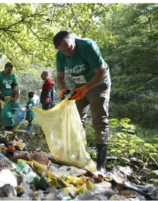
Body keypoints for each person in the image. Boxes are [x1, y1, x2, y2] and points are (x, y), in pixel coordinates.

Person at [53, 30, 111, 173]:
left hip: (98, 84)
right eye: (63, 51)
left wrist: (85, 88)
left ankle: (101, 164)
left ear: (73, 40)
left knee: (99, 120)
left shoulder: (87, 46)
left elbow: (102, 73)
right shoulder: (60, 55)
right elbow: (60, 77)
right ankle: (80, 155)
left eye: (69, 48)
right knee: (76, 119)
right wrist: (63, 88)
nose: (67, 53)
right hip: (79, 87)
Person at [0, 62, 18, 133]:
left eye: (11, 70)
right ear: (5, 68)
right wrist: (0, 94)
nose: (9, 71)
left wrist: (14, 93)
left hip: (8, 97)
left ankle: (2, 127)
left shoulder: (12, 76)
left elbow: (15, 85)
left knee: (5, 112)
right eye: (8, 69)